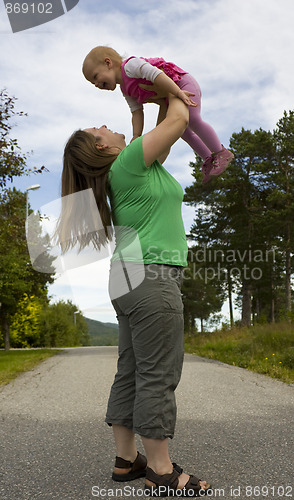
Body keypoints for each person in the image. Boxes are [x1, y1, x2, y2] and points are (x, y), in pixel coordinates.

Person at [58, 93, 211, 497]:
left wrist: (156, 98)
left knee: (131, 371)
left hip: (126, 278)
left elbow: (168, 127)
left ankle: (127, 460)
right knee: (157, 374)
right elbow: (178, 120)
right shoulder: (128, 163)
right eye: (99, 129)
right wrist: (174, 86)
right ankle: (160, 469)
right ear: (102, 147)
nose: (105, 126)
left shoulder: (130, 167)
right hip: (151, 276)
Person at [82, 45, 234, 184]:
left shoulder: (130, 66)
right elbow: (136, 112)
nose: (96, 84)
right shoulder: (125, 89)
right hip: (172, 94)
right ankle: (208, 158)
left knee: (193, 119)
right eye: (92, 83)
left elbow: (156, 74)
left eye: (95, 77)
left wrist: (177, 92)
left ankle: (221, 152)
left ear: (108, 63)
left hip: (181, 83)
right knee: (183, 132)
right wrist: (136, 135)